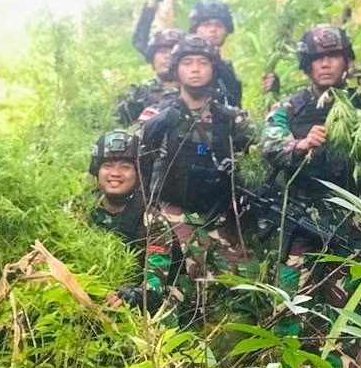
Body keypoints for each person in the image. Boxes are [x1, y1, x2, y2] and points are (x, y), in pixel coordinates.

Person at [261, 25, 361, 368]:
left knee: (345, 318)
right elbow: (268, 142)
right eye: (317, 58)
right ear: (307, 64)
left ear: (345, 61)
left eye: (332, 56)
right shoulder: (292, 107)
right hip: (300, 227)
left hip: (350, 230)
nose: (325, 64)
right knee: (287, 310)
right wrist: (299, 145)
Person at [141, 34, 256, 324]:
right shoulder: (158, 113)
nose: (195, 69)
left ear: (213, 69)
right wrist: (151, 128)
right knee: (167, 289)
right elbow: (132, 153)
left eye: (203, 62)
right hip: (170, 213)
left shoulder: (230, 117)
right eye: (188, 62)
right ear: (176, 69)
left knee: (241, 291)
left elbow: (261, 150)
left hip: (218, 216)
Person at [89, 130, 178, 311]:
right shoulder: (78, 210)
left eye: (125, 167)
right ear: (97, 171)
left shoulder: (152, 221)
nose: (115, 173)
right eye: (108, 165)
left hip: (133, 304)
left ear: (138, 174)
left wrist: (134, 295)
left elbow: (156, 280)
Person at [130, 0, 243, 108]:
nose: (212, 30)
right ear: (195, 27)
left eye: (219, 25)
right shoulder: (181, 51)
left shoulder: (224, 70)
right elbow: (142, 41)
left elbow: (234, 102)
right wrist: (153, 1)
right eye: (206, 25)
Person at [117, 28, 181, 126]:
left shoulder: (196, 95)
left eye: (173, 51)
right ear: (152, 58)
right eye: (162, 51)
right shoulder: (137, 95)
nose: (168, 56)